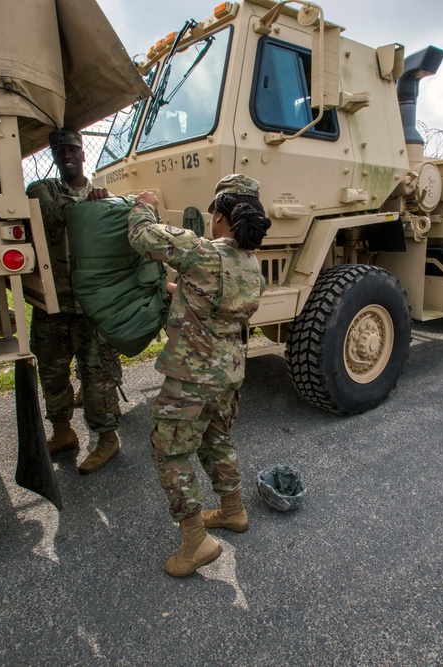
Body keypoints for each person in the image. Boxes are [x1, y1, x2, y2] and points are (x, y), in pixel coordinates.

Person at [127, 174, 271, 577]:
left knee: (169, 451)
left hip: (192, 375)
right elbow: (220, 304)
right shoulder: (250, 266)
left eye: (213, 214)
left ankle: (196, 542)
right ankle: (233, 510)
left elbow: (142, 236)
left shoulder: (200, 252)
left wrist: (144, 203)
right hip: (229, 372)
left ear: (222, 217)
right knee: (216, 440)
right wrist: (181, 291)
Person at [26, 129, 122, 475]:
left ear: (83, 155)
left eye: (71, 149)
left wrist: (105, 205)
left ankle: (107, 438)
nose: (65, 154)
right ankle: (63, 432)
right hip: (52, 305)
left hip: (90, 305)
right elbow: (52, 214)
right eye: (59, 149)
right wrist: (92, 206)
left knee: (95, 375)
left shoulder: (103, 196)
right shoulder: (44, 189)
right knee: (53, 374)